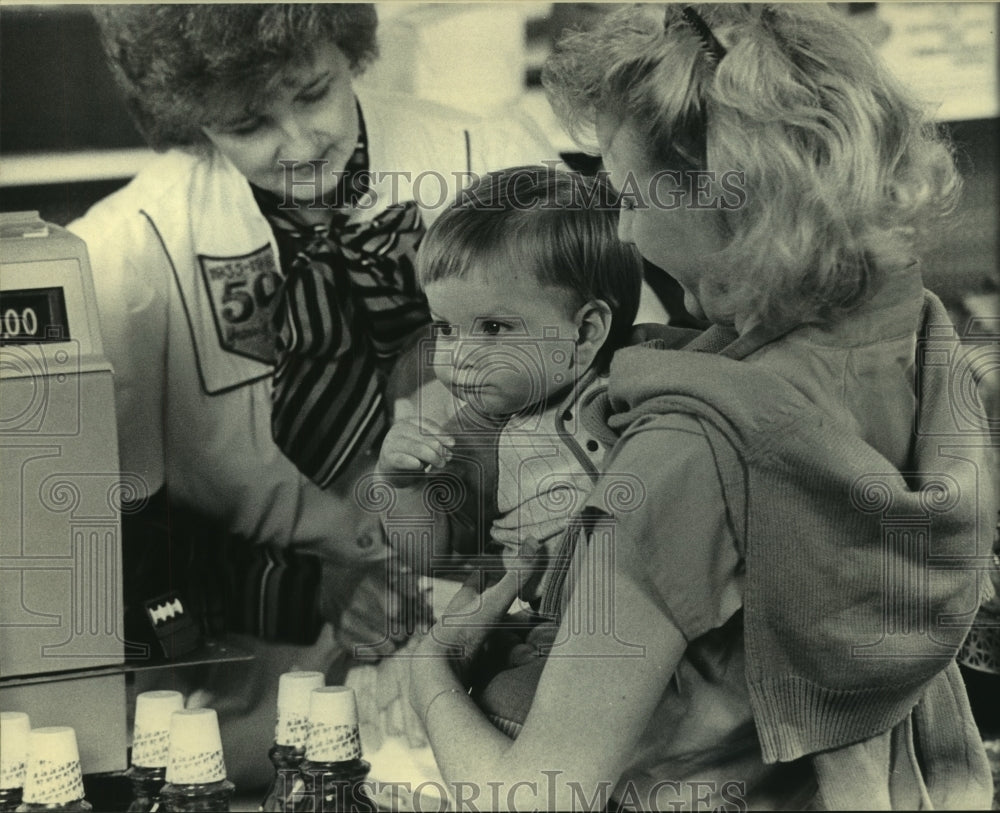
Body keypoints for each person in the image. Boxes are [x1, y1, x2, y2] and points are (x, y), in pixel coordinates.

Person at [408, 5, 998, 810]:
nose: (623, 227)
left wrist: (430, 676)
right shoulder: (921, 344)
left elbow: (534, 795)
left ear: (724, 197)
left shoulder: (689, 450)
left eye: (628, 196)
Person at [69, 3, 556, 786]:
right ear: (189, 119)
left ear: (347, 45)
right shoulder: (124, 254)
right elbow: (110, 543)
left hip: (492, 679)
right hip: (246, 722)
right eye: (248, 123)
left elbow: (609, 427)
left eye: (312, 92)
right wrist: (310, 591)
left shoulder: (494, 164)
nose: (298, 145)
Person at [374, 167, 643, 712]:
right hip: (531, 629)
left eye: (494, 329)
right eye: (445, 328)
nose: (455, 356)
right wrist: (400, 484)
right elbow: (431, 554)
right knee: (496, 692)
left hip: (633, 628)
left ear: (586, 332)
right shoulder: (479, 428)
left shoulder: (639, 395)